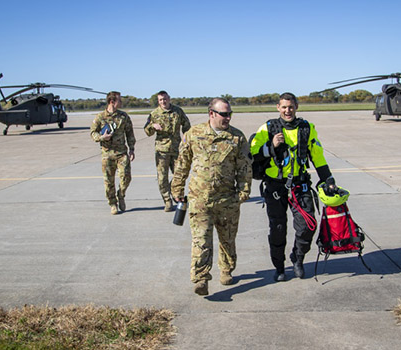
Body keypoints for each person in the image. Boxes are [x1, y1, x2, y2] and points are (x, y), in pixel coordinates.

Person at [250, 92, 336, 281]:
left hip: (300, 185)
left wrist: (328, 179)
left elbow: (318, 156)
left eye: (291, 107)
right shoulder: (267, 128)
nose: (287, 110)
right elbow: (253, 153)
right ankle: (279, 267)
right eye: (284, 107)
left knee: (308, 226)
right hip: (275, 187)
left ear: (296, 107)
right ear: (277, 108)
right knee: (278, 228)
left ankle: (297, 257)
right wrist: (271, 146)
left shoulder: (307, 128)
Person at [171, 98, 252, 296]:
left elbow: (244, 167)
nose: (228, 117)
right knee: (201, 241)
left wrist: (244, 191)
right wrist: (177, 188)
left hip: (227, 200)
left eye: (229, 114)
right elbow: (182, 163)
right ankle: (200, 279)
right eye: (224, 114)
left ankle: (226, 269)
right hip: (200, 198)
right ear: (211, 114)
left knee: (227, 240)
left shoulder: (237, 137)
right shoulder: (194, 134)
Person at [144, 91, 191, 212]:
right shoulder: (154, 114)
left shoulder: (177, 111)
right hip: (162, 150)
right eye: (160, 100)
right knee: (162, 177)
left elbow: (187, 127)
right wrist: (152, 126)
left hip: (176, 149)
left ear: (169, 99)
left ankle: (175, 193)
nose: (163, 102)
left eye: (164, 99)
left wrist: (186, 140)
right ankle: (167, 200)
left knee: (179, 175)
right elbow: (147, 131)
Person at [90, 91, 136, 215]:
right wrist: (101, 137)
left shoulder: (123, 117)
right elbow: (92, 133)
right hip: (107, 154)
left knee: (126, 177)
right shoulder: (100, 117)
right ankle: (113, 203)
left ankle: (121, 195)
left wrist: (132, 149)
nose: (121, 102)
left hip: (121, 153)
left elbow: (130, 133)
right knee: (109, 181)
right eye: (119, 100)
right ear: (112, 102)